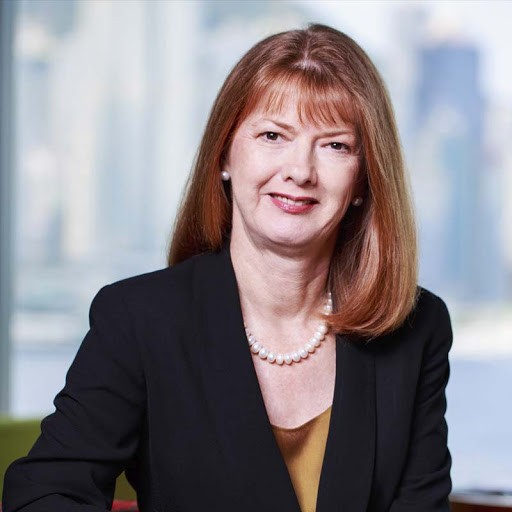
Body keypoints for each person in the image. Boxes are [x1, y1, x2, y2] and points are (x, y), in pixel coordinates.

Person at [3, 24, 452, 512]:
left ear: (364, 179)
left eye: (335, 146)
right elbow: (41, 495)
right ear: (224, 155)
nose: (300, 171)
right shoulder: (141, 318)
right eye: (272, 135)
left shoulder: (417, 327)